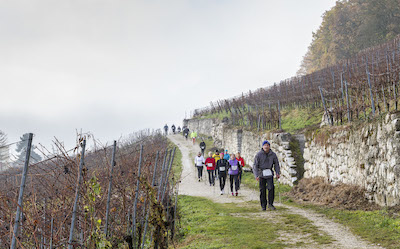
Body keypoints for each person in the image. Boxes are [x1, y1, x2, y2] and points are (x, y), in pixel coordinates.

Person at [253, 140, 280, 211]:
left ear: (269, 146)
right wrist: (256, 175)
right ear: (262, 146)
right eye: (265, 145)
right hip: (261, 174)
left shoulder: (273, 154)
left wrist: (277, 172)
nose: (266, 146)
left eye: (267, 145)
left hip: (269, 173)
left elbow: (276, 164)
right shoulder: (258, 155)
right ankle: (263, 206)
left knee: (271, 188)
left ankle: (270, 204)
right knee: (262, 190)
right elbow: (255, 165)